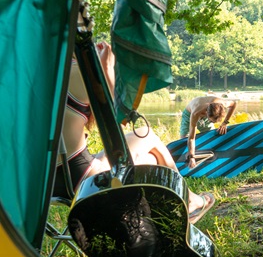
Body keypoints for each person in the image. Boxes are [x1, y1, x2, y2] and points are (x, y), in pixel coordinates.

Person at [54, 41, 214, 224]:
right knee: (147, 136)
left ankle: (169, 209)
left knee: (150, 159)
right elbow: (116, 124)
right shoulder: (76, 73)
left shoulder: (30, 83)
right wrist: (106, 68)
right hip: (81, 180)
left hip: (42, 186)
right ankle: (189, 200)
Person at [180, 95, 237, 168]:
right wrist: (192, 157)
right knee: (184, 139)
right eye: (212, 121)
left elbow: (234, 104)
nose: (213, 123)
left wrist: (225, 123)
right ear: (207, 113)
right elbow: (191, 138)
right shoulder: (195, 112)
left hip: (209, 113)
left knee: (210, 138)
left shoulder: (223, 104)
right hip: (189, 114)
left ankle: (209, 161)